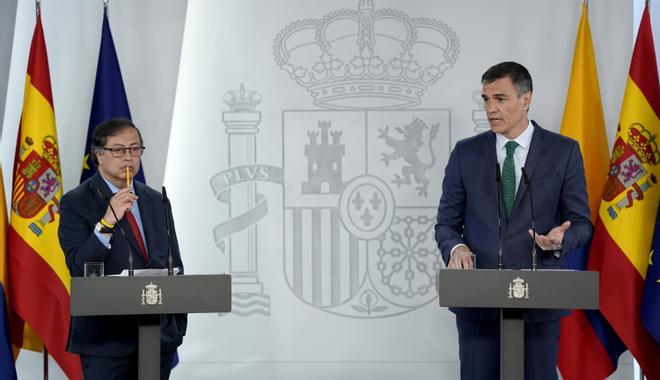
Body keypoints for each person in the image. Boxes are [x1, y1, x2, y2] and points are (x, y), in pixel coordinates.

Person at [435, 62, 592, 379]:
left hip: (539, 302)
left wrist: (562, 238)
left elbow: (581, 222)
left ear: (526, 99)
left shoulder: (563, 151)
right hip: (478, 303)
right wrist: (458, 249)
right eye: (486, 99)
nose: (490, 108)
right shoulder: (466, 153)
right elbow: (446, 224)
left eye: (500, 98)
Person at [59, 118, 186, 379]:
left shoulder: (155, 199)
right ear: (99, 156)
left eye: (134, 149)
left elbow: (175, 265)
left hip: (157, 337)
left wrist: (177, 326)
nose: (128, 157)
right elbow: (79, 268)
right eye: (118, 150)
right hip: (105, 341)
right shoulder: (75, 202)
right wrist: (108, 220)